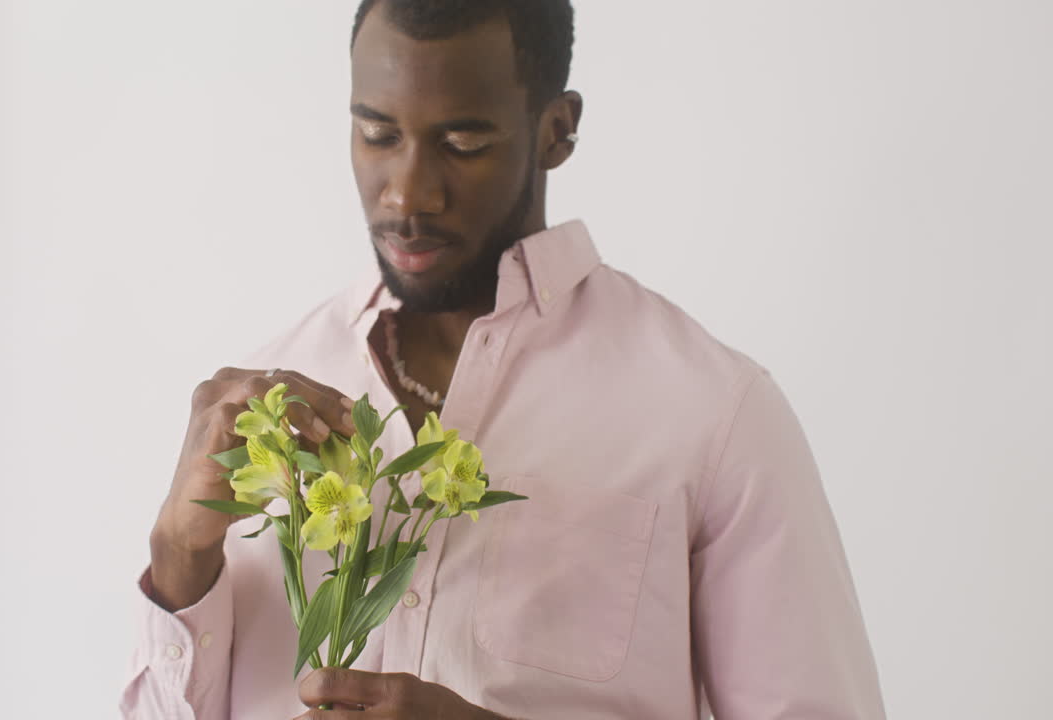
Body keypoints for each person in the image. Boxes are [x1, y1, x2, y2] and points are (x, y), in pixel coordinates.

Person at [121, 1, 888, 718]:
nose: (407, 195)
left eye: (462, 143)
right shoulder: (264, 401)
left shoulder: (713, 414)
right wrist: (179, 558)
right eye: (378, 134)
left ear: (556, 130)